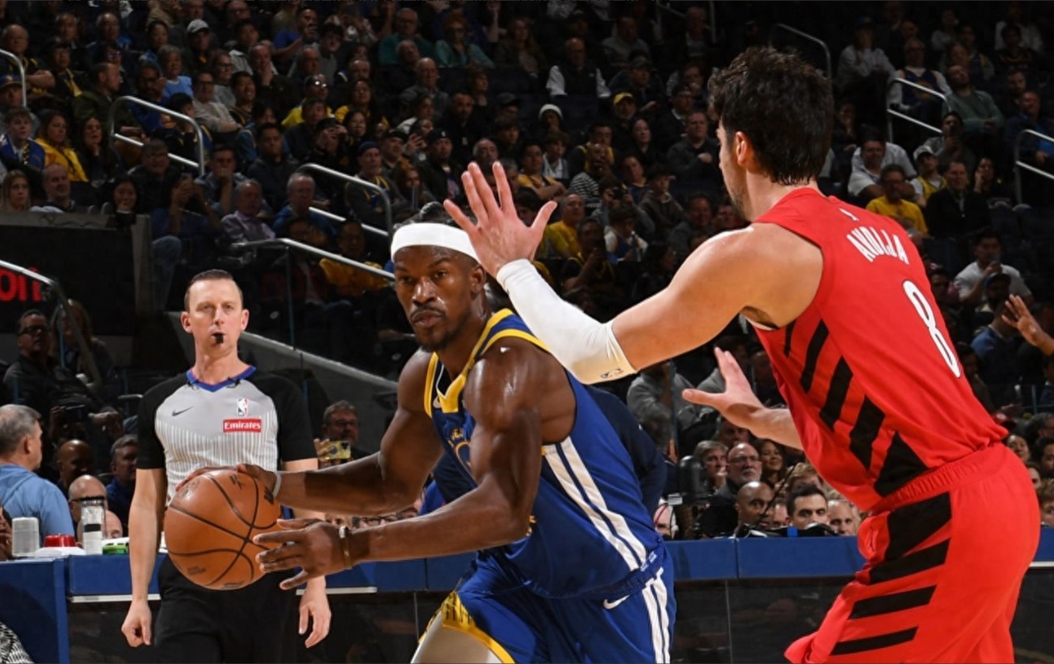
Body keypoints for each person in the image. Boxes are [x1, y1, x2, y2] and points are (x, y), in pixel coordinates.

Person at [451, 46, 1038, 662]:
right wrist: (760, 419)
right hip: (998, 492)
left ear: (739, 147)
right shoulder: (885, 233)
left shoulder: (758, 251)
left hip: (942, 517)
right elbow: (899, 417)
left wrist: (513, 267)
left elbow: (590, 355)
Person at [223, 217, 675, 662]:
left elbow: (504, 512)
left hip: (610, 588)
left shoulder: (510, 363)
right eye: (406, 280)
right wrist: (271, 485)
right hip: (514, 581)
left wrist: (349, 546)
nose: (421, 293)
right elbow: (390, 482)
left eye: (438, 275)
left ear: (476, 279)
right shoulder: (425, 372)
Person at [120, 271, 331, 661]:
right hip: (186, 572)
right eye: (206, 308)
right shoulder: (158, 401)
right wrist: (137, 599)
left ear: (243, 319)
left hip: (265, 569)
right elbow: (146, 503)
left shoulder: (279, 395)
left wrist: (316, 586)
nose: (217, 317)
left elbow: (307, 492)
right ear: (187, 321)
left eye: (227, 308)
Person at [0, 404, 76, 538]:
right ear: (28, 443)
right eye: (39, 438)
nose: (41, 444)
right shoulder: (45, 494)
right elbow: (63, 550)